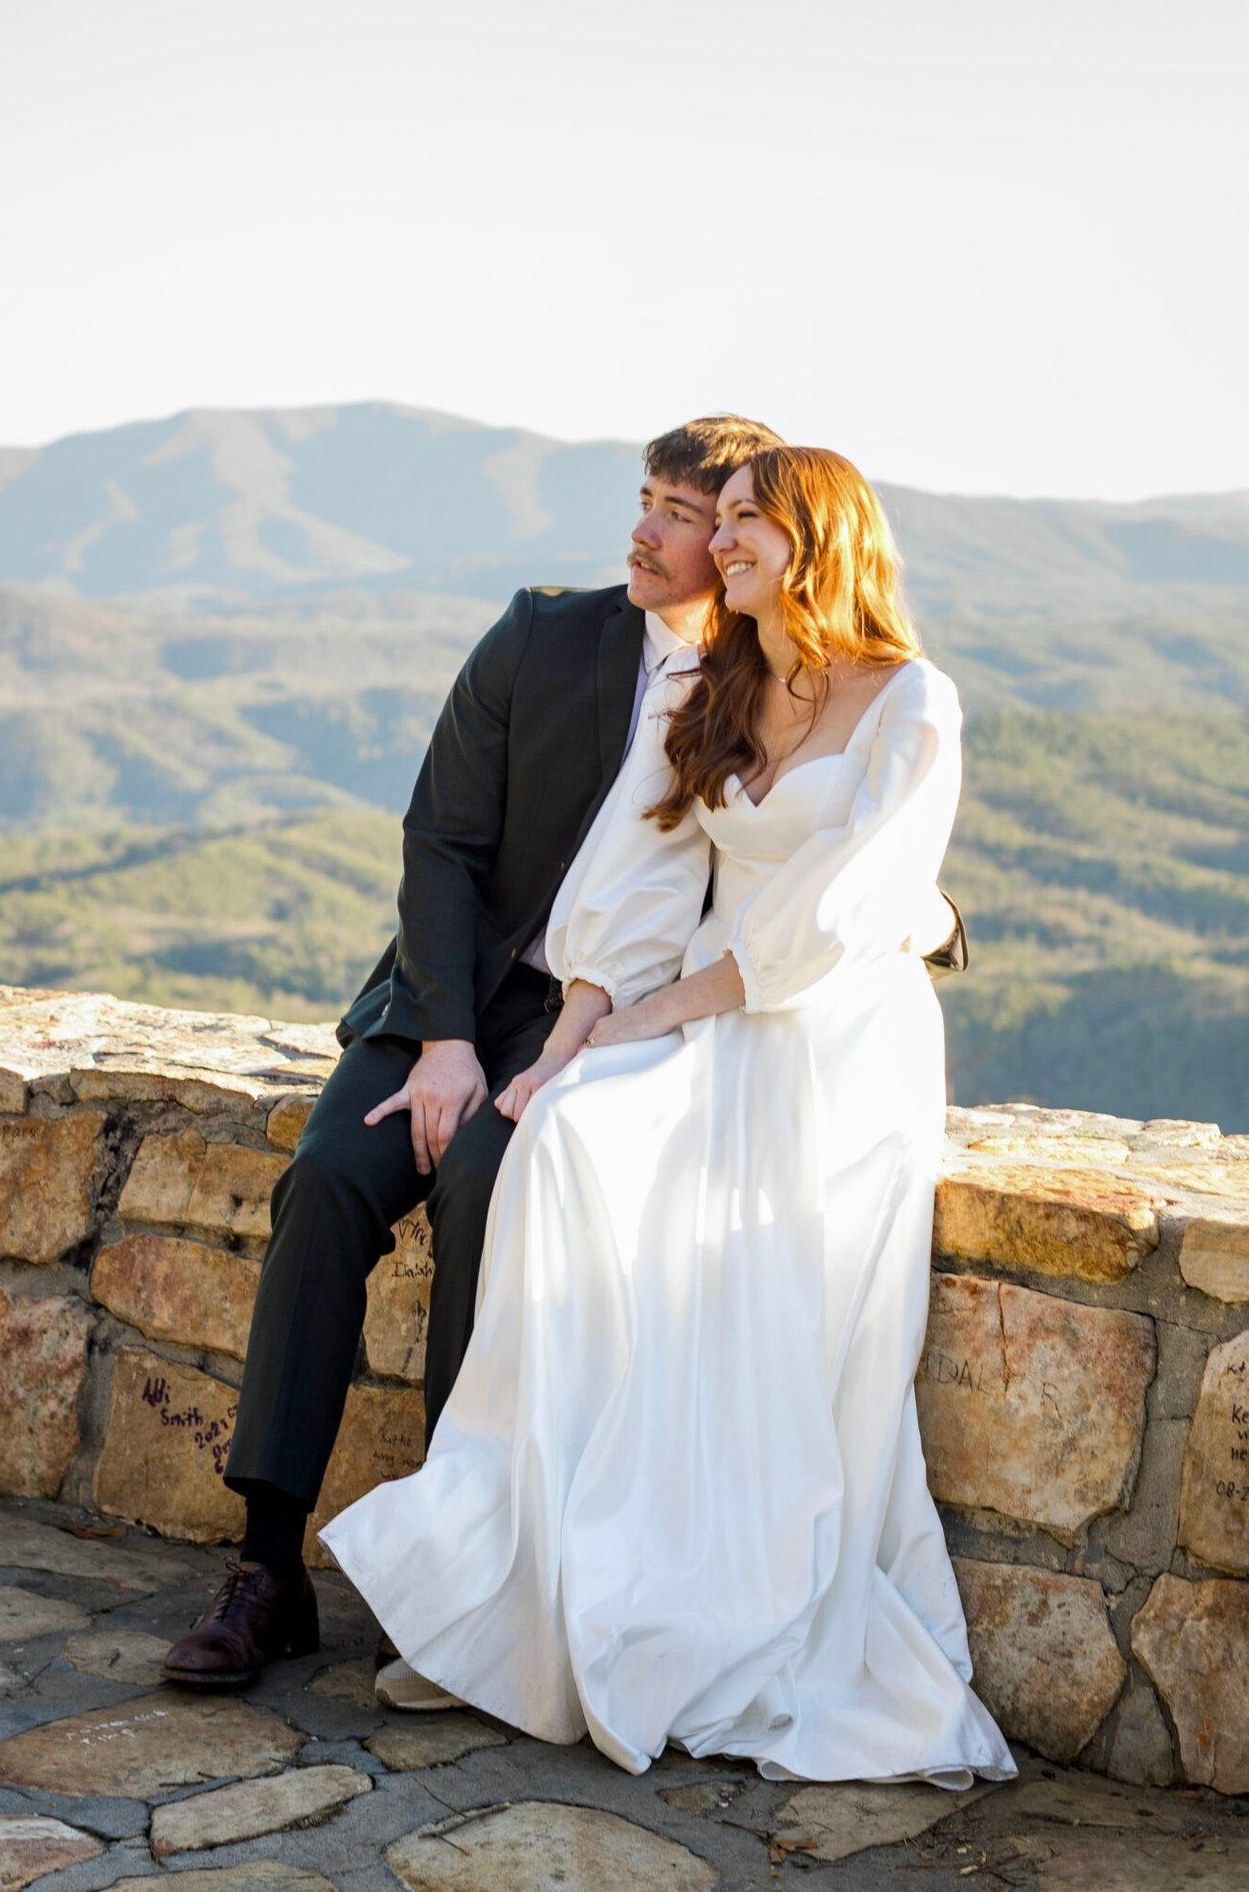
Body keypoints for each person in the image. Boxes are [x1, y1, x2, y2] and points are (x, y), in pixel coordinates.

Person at [321, 447, 1015, 1785]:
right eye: (726, 520)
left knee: (758, 1323)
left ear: (818, 543)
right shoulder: (719, 683)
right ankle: (513, 1598)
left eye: (748, 522)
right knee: (567, 1142)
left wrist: (659, 1016)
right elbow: (634, 879)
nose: (723, 544)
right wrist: (566, 1046)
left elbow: (851, 912)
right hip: (706, 1015)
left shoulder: (910, 700)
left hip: (831, 1043)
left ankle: (698, 1610)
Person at [161, 413, 788, 1691]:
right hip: (443, 1002)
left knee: (486, 1187)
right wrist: (442, 1038)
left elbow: (835, 839)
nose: (648, 528)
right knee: (330, 1179)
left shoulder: (763, 681)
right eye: (648, 497)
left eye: (683, 510)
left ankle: (448, 1573)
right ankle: (265, 1566)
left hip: (591, 1028)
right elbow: (438, 841)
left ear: (735, 538)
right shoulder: (539, 633)